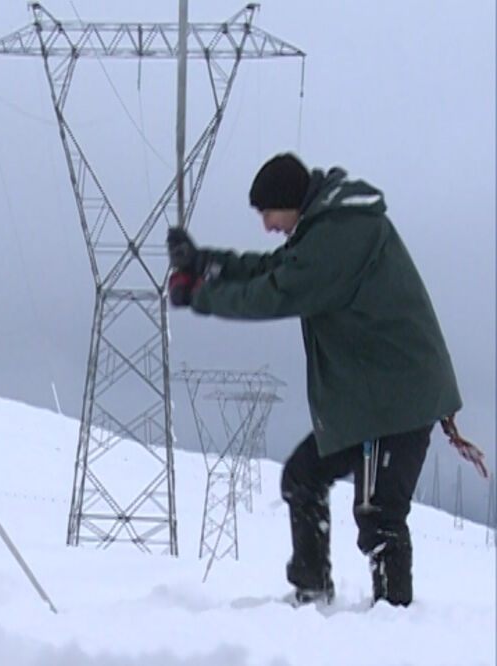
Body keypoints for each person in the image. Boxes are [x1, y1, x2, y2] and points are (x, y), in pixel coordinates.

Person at [166, 153, 462, 607]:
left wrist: (203, 296)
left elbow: (278, 292)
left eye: (268, 212)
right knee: (302, 479)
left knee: (379, 516)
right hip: (368, 399)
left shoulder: (342, 237)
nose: (266, 224)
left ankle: (397, 631)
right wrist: (206, 263)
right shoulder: (326, 229)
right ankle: (312, 593)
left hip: (397, 397)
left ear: (289, 201)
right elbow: (273, 269)